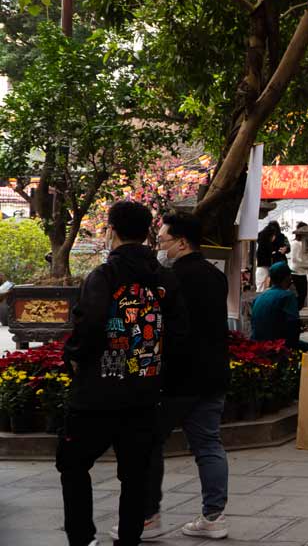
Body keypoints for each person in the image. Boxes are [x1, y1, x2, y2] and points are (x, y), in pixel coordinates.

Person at [58, 201, 188, 546]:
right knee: (135, 475)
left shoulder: (103, 276)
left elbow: (89, 324)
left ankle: (82, 538)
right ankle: (129, 539)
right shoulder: (164, 279)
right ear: (146, 233)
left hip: (96, 395)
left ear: (111, 230)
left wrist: (74, 356)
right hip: (144, 394)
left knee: (73, 465)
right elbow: (178, 334)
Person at [127, 212, 230, 541]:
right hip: (212, 374)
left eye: (163, 241)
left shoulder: (169, 279)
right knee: (209, 445)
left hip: (177, 378)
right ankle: (213, 517)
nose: (160, 247)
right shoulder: (216, 276)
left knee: (149, 442)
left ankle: (148, 517)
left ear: (182, 243)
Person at [251, 262, 308, 350]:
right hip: (277, 345)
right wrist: (299, 329)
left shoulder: (260, 296)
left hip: (257, 343)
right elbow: (293, 327)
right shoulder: (287, 296)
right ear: (287, 278)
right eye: (290, 276)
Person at [255, 221, 289, 291]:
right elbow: (288, 247)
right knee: (277, 283)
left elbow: (287, 247)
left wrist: (286, 249)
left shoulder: (262, 235)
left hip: (265, 262)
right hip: (276, 262)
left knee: (261, 284)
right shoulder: (264, 236)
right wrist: (285, 249)